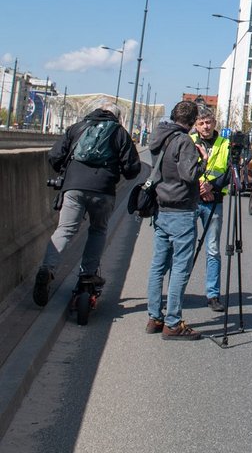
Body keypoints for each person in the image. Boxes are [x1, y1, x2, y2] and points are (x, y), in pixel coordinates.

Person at [33, 102, 141, 307]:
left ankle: (48, 268)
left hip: (73, 187)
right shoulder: (119, 133)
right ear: (117, 117)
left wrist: (67, 173)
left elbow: (55, 156)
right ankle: (87, 276)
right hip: (103, 190)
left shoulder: (78, 127)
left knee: (65, 229)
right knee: (98, 231)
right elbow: (132, 168)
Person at [146, 100, 205, 340]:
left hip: (161, 207)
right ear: (192, 122)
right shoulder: (184, 141)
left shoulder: (159, 137)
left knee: (158, 266)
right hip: (181, 209)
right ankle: (173, 323)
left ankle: (154, 317)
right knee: (180, 267)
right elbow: (189, 176)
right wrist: (203, 160)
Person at [190, 106, 230, 313]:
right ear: (196, 125)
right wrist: (199, 186)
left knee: (213, 249)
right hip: (192, 200)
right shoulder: (189, 142)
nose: (206, 126)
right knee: (185, 248)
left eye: (209, 122)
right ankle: (178, 291)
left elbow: (230, 174)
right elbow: (182, 170)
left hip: (214, 201)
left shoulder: (225, 144)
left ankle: (213, 294)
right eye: (201, 123)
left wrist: (211, 186)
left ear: (215, 123)